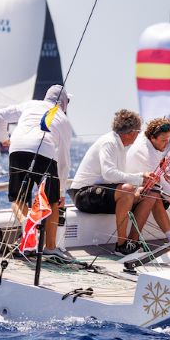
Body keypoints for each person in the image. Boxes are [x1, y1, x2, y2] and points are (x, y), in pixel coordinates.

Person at [0, 84, 73, 261]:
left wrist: (4, 139)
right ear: (64, 102)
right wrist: (60, 192)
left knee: (19, 198)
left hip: (18, 148)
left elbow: (0, 115)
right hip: (45, 152)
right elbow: (64, 161)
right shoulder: (63, 120)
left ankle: (26, 227)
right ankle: (50, 248)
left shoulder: (29, 105)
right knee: (52, 202)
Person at [68, 110, 158, 256]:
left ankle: (132, 243)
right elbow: (109, 174)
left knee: (150, 194)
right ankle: (121, 246)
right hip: (82, 194)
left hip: (102, 194)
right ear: (131, 132)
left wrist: (141, 181)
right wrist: (140, 178)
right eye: (139, 131)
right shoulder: (109, 142)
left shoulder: (120, 145)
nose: (139, 135)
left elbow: (117, 179)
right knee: (128, 190)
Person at [126, 117, 170, 239]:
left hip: (148, 184)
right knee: (155, 193)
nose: (166, 144)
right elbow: (163, 186)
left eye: (169, 140)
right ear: (152, 138)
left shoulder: (149, 140)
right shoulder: (146, 152)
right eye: (163, 140)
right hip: (133, 190)